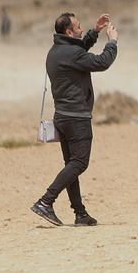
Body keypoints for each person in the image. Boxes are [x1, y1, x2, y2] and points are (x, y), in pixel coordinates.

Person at [30, 12, 118, 227]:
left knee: (71, 165)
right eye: (78, 27)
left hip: (62, 116)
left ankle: (80, 214)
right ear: (69, 31)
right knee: (79, 163)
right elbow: (102, 62)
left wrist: (94, 31)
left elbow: (79, 51)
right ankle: (45, 201)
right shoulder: (70, 54)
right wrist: (112, 41)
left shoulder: (57, 51)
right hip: (76, 117)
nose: (81, 29)